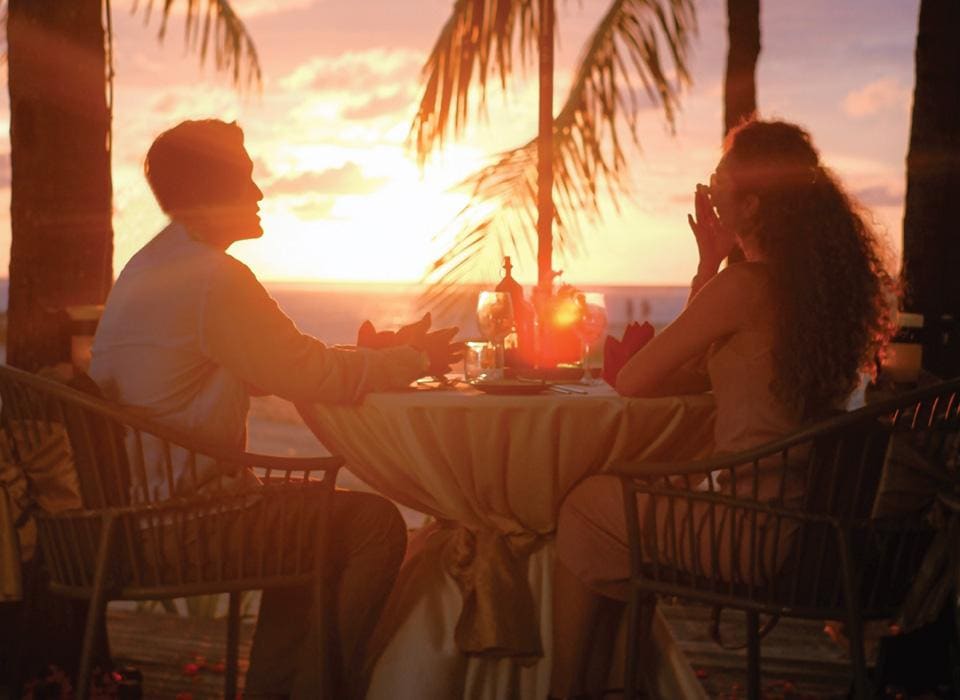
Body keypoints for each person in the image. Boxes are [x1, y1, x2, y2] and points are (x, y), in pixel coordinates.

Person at [89, 119, 457, 699]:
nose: (260, 194)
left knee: (307, 527)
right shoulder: (213, 278)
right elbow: (311, 375)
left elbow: (274, 365)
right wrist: (414, 358)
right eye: (247, 180)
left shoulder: (153, 266)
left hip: (132, 521)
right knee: (372, 525)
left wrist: (369, 355)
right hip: (182, 526)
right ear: (210, 193)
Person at [548, 118, 895, 698]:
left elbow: (634, 380)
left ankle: (566, 690)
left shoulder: (744, 288)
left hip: (745, 534)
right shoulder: (817, 291)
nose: (707, 191)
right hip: (806, 527)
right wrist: (713, 264)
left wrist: (712, 267)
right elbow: (696, 367)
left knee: (586, 505)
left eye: (718, 179)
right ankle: (617, 685)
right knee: (616, 512)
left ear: (753, 206)